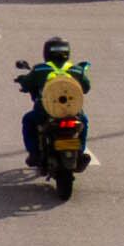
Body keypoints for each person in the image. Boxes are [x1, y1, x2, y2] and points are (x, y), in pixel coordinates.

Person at [15, 35, 92, 167]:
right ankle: (81, 152)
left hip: (45, 111)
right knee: (83, 122)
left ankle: (34, 153)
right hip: (72, 111)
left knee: (28, 120)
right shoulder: (76, 70)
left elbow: (27, 84)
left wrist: (22, 81)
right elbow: (86, 88)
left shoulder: (40, 69)